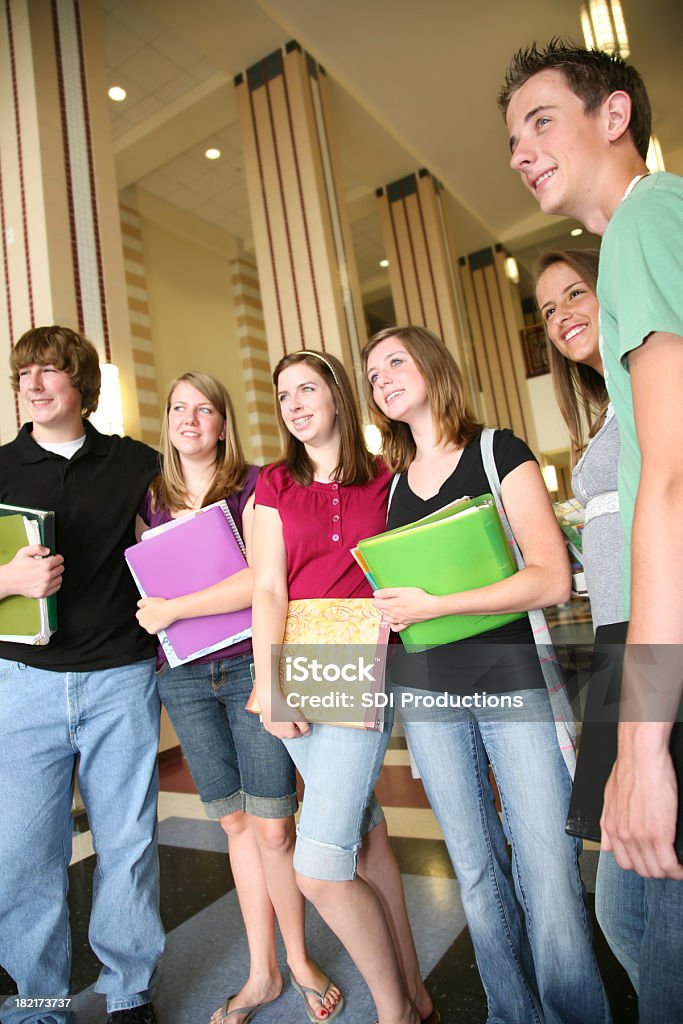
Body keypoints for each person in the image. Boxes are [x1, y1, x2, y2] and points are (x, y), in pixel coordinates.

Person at [501, 41, 683, 1021]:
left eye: (539, 120)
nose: (522, 151)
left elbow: (670, 487)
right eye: (511, 139)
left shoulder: (647, 219)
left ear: (612, 114)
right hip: (641, 649)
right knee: (625, 910)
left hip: (662, 659)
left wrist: (643, 742)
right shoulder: (640, 244)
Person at [362, 325, 612, 1024]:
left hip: (510, 683)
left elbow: (550, 578)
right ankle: (511, 1014)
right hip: (427, 695)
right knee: (475, 873)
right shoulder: (389, 490)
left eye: (393, 362)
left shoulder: (497, 449)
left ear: (433, 366)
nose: (380, 379)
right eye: (372, 373)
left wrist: (436, 603)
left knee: (546, 872)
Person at [136, 371, 341, 1024]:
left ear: (224, 424)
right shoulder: (150, 499)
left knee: (274, 826)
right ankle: (263, 972)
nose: (189, 419)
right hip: (185, 678)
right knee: (234, 825)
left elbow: (262, 578)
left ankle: (301, 959)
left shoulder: (255, 486)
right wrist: (160, 614)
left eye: (204, 409)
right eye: (177, 408)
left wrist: (171, 608)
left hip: (250, 670)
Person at [251, 349, 437, 1024]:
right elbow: (268, 587)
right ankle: (415, 994)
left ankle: (395, 1014)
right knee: (365, 839)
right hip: (297, 666)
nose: (295, 403)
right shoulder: (273, 483)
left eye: (307, 388)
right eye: (282, 395)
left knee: (319, 867)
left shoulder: (387, 476)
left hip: (363, 664)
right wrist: (270, 685)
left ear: (336, 395)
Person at [0, 326, 164, 1024]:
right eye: (23, 375)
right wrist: (6, 577)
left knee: (127, 846)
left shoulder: (136, 462)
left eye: (49, 372)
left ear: (81, 384)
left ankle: (128, 994)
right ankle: (38, 1004)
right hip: (22, 682)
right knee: (23, 859)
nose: (34, 385)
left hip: (120, 679)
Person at [535, 250, 639, 984]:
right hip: (616, 645)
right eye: (546, 309)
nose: (561, 313)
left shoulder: (648, 382)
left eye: (575, 292)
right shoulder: (610, 410)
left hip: (648, 644)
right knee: (625, 898)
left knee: (633, 901)